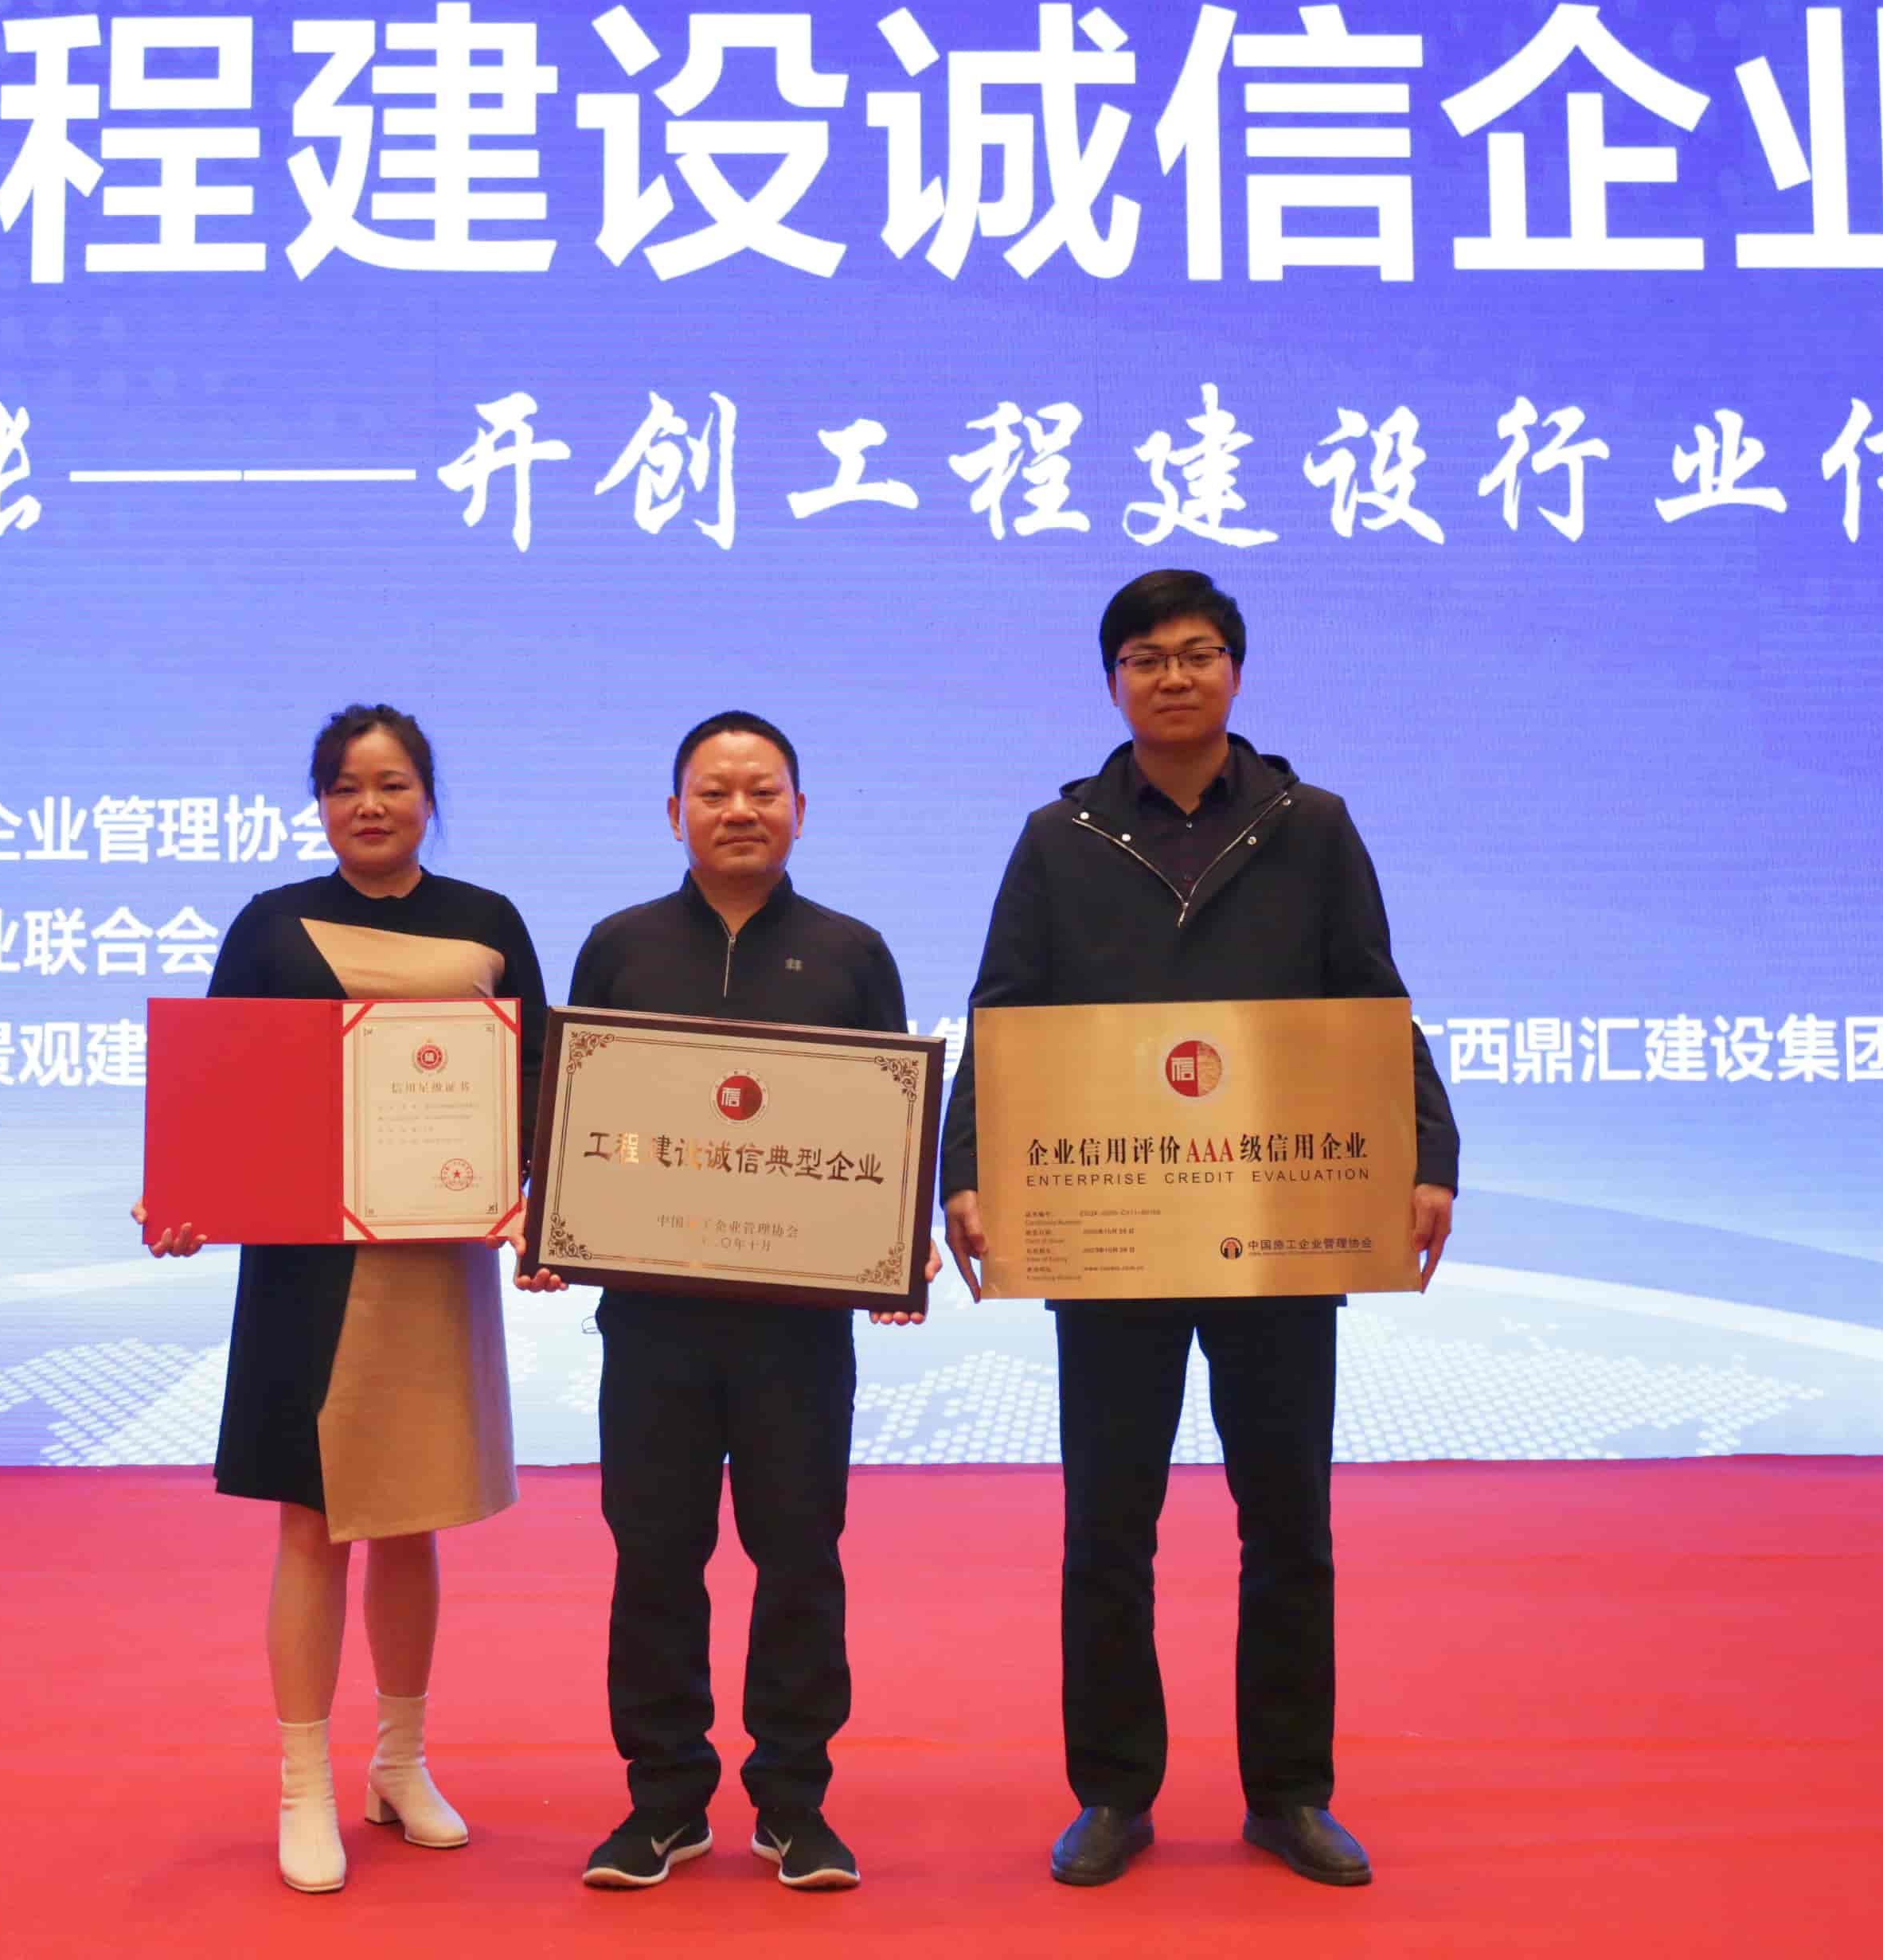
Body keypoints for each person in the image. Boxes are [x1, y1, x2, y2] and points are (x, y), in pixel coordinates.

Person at [936, 570, 1461, 1892]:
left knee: (1288, 1525)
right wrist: (965, 1171)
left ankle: (1289, 1793)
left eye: (1197, 653)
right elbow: (1004, 1012)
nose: (1173, 677)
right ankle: (1114, 1793)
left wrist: (1430, 1156)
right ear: (1112, 682)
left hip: (1281, 1221)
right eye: (1146, 658)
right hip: (1110, 1224)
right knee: (1108, 1528)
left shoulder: (1311, 826)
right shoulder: (1060, 838)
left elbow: (1371, 1000)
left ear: (1236, 669)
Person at [521, 712, 940, 1894]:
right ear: (675, 814)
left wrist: (893, 1250)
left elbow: (886, 1122)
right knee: (655, 1555)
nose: (740, 810)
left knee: (799, 1554)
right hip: (651, 1324)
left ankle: (795, 1804)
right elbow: (579, 1111)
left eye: (763, 791)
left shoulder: (852, 952)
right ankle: (663, 1801)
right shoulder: (620, 945)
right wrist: (554, 1223)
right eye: (714, 792)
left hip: (796, 1331)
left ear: (801, 810)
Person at [134, 703, 547, 1896]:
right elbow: (215, 1087)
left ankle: (400, 1763)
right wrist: (182, 1195)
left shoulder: (488, 922)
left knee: (415, 1514)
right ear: (319, 803)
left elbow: (540, 1081)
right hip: (306, 1269)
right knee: (311, 1524)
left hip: (433, 1259)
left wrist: (541, 1205)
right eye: (345, 786)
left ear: (429, 796)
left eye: (393, 782)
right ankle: (303, 1782)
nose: (370, 805)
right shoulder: (270, 925)